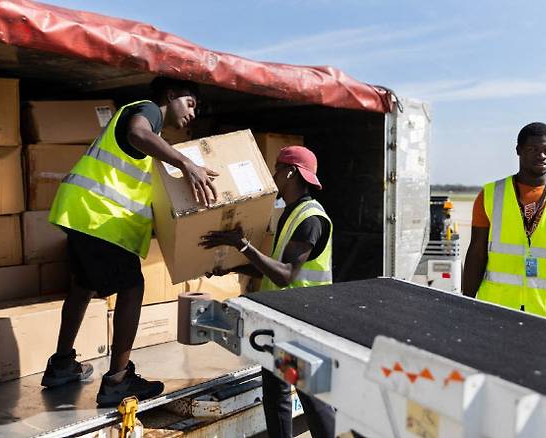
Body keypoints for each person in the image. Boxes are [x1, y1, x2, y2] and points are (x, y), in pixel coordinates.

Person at [42, 76, 219, 407]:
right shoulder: (149, 111)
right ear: (171, 95)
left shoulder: (152, 136)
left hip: (84, 213)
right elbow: (138, 133)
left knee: (82, 288)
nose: (193, 114)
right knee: (132, 286)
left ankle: (62, 364)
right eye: (191, 104)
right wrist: (187, 163)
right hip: (101, 218)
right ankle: (118, 381)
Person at [200, 146, 335, 438]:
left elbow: (285, 275)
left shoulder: (310, 218)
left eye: (276, 169)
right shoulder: (289, 212)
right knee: (275, 394)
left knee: (312, 396)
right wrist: (232, 268)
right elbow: (273, 268)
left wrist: (243, 246)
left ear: (290, 172)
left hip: (304, 319)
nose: (273, 176)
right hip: (281, 316)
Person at [462, 122, 546, 324]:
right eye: (533, 149)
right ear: (518, 150)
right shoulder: (490, 195)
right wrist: (466, 302)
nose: (542, 155)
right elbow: (476, 252)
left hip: (545, 311)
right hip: (496, 307)